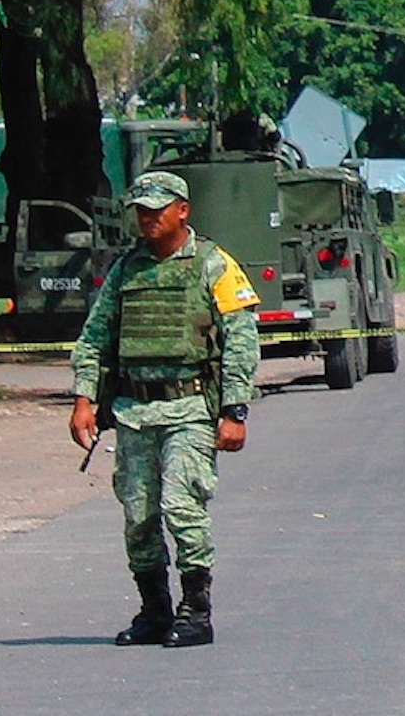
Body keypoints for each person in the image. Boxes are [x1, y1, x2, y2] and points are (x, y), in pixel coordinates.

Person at [67, 171, 261, 649]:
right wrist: (83, 399)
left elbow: (241, 339)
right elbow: (95, 337)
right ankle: (154, 610)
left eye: (157, 208)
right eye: (141, 209)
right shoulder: (126, 269)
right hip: (134, 412)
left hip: (189, 408)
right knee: (138, 515)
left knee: (182, 507)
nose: (148, 217)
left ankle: (196, 611)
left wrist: (235, 411)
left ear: (183, 210)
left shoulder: (213, 264)